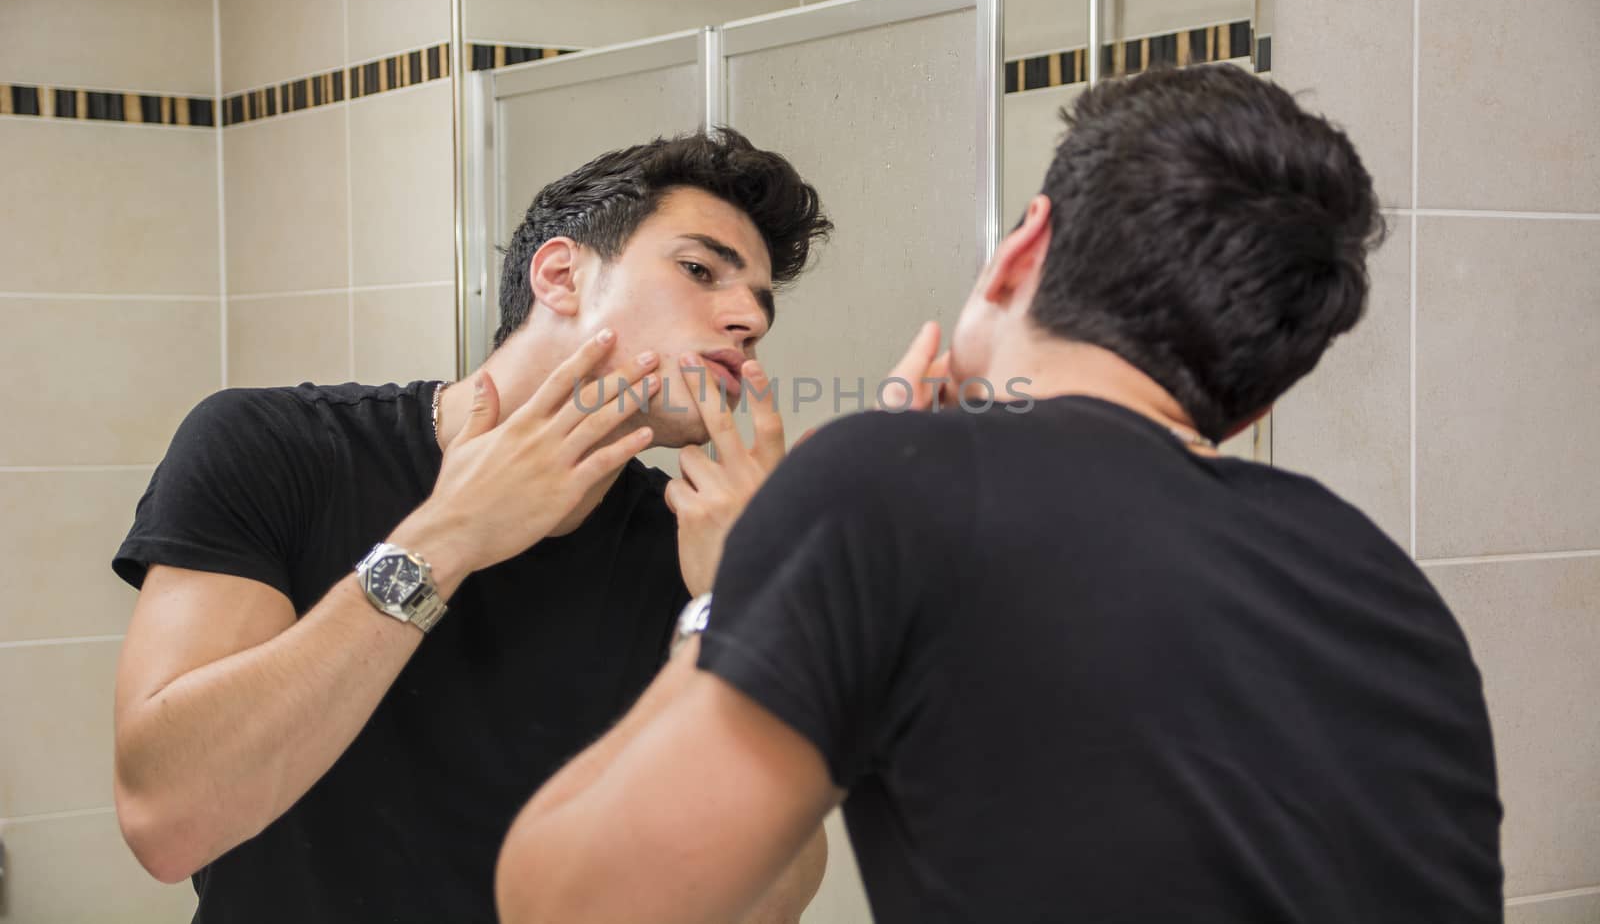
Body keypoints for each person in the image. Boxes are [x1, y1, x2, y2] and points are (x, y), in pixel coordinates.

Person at [493, 65, 1505, 924]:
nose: (745, 322)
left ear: (1022, 249)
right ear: (1244, 405)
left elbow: (571, 902)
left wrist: (735, 588)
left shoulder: (887, 488)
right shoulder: (1379, 578)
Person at [110, 129, 834, 923]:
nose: (746, 319)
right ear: (560, 274)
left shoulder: (690, 549)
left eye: (761, 309)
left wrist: (737, 610)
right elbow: (166, 822)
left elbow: (763, 907)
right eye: (699, 270)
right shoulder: (276, 448)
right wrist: (446, 538)